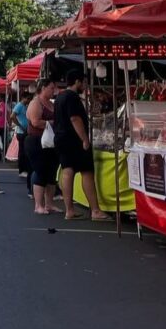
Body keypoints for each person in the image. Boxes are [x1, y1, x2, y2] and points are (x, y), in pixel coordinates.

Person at [53, 70, 108, 222]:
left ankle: (69, 210)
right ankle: (95, 210)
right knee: (87, 172)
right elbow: (75, 118)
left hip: (61, 138)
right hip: (74, 139)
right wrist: (84, 139)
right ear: (77, 82)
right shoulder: (72, 97)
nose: (85, 85)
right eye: (83, 82)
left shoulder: (60, 97)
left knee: (67, 171)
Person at [25, 79, 61, 214]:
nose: (53, 91)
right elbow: (35, 122)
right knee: (40, 171)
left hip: (50, 142)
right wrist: (52, 122)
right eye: (51, 88)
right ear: (43, 88)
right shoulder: (36, 103)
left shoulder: (51, 104)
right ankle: (38, 205)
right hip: (36, 141)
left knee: (51, 172)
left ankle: (49, 204)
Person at [10, 92, 32, 186]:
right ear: (23, 98)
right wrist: (19, 125)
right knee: (22, 151)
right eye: (27, 98)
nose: (28, 100)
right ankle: (21, 170)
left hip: (25, 131)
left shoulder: (24, 106)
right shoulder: (19, 106)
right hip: (21, 132)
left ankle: (24, 169)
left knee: (25, 151)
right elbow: (12, 116)